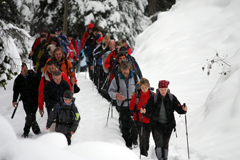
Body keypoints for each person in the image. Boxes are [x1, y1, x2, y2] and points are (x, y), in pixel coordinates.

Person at [141, 80, 188, 160]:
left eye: (165, 89)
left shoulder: (171, 98)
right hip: (156, 125)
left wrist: (183, 109)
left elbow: (179, 109)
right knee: (159, 142)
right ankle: (160, 157)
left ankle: (165, 157)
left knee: (165, 143)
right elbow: (148, 110)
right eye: (161, 89)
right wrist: (144, 111)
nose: (163, 91)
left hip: (168, 125)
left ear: (167, 89)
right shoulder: (154, 98)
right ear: (158, 89)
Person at [108, 61, 139, 149]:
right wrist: (116, 96)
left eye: (126, 69)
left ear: (129, 69)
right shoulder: (117, 78)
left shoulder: (135, 77)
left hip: (134, 105)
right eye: (123, 70)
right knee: (124, 124)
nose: (124, 71)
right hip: (122, 105)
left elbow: (141, 89)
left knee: (134, 123)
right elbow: (110, 91)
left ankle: (134, 140)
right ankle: (127, 142)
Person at [12, 62, 41, 138]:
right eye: (22, 71)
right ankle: (36, 129)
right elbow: (16, 91)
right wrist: (14, 100)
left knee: (31, 115)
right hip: (25, 100)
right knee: (30, 115)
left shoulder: (34, 76)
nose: (24, 72)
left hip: (35, 98)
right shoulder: (18, 80)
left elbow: (41, 85)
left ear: (27, 69)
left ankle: (26, 131)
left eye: (25, 70)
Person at [129, 78, 153, 157]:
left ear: (148, 86)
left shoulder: (152, 94)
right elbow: (131, 107)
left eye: (146, 87)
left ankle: (145, 151)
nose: (144, 89)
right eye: (142, 87)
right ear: (140, 87)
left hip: (149, 120)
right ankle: (143, 154)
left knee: (147, 137)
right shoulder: (136, 96)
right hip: (139, 120)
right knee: (142, 136)